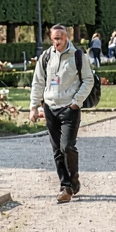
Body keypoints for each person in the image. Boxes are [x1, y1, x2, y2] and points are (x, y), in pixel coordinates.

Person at [30, 25, 97, 203]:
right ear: (51, 39)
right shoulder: (46, 57)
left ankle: (73, 178)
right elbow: (38, 82)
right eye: (54, 39)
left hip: (69, 108)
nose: (57, 42)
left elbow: (88, 80)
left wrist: (77, 101)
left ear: (66, 37)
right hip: (50, 108)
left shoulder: (77, 56)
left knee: (67, 147)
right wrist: (34, 106)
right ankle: (65, 186)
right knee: (56, 150)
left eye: (60, 38)